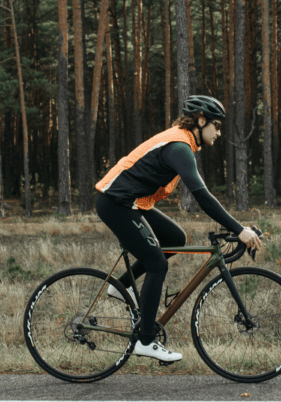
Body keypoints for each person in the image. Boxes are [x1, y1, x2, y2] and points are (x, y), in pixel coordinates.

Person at [94, 95, 262, 363]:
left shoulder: (183, 143)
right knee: (157, 265)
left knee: (176, 238)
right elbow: (202, 196)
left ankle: (120, 287)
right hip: (116, 203)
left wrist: (237, 227)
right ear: (201, 120)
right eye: (216, 126)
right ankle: (146, 342)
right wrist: (239, 229)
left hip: (130, 202)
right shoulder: (179, 146)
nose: (219, 132)